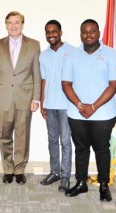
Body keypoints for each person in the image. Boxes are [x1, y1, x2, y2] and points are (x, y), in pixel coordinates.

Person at [62, 19, 116, 201]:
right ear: (80, 33)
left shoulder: (111, 54)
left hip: (103, 114)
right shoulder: (71, 55)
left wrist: (93, 106)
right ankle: (81, 183)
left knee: (102, 150)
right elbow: (66, 84)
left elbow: (114, 85)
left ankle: (104, 185)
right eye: (84, 31)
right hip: (77, 113)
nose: (88, 35)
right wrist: (81, 106)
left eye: (92, 31)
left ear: (99, 33)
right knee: (81, 149)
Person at [0, 11, 41, 185]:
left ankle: (19, 169)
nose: (13, 26)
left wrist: (36, 98)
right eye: (10, 23)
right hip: (2, 98)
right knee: (4, 135)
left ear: (22, 24)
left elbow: (36, 73)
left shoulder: (33, 45)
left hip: (25, 98)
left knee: (22, 136)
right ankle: (7, 169)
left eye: (17, 22)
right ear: (6, 25)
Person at [39, 20, 75, 192]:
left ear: (61, 32)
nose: (51, 35)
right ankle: (55, 172)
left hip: (67, 106)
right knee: (52, 140)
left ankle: (65, 176)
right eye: (48, 32)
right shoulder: (43, 55)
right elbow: (43, 80)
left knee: (66, 142)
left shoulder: (73, 52)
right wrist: (42, 102)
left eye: (54, 31)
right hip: (50, 104)